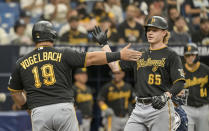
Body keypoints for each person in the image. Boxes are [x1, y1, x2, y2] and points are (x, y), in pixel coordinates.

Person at [7, 20, 142, 131]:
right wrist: (119, 55)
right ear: (52, 35)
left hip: (39, 111)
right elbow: (92, 58)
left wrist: (27, 107)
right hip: (63, 107)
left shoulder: (21, 62)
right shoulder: (63, 53)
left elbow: (15, 93)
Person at [92, 16, 185, 131]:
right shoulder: (140, 53)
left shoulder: (171, 55)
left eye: (154, 30)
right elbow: (115, 67)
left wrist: (167, 95)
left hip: (160, 107)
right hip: (139, 107)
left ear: (164, 33)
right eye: (148, 30)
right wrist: (104, 44)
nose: (150, 33)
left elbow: (180, 82)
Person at [182, 43, 209, 131]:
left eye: (192, 55)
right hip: (187, 108)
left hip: (204, 108)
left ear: (197, 55)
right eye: (188, 55)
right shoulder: (180, 71)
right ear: (184, 56)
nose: (190, 57)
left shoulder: (205, 69)